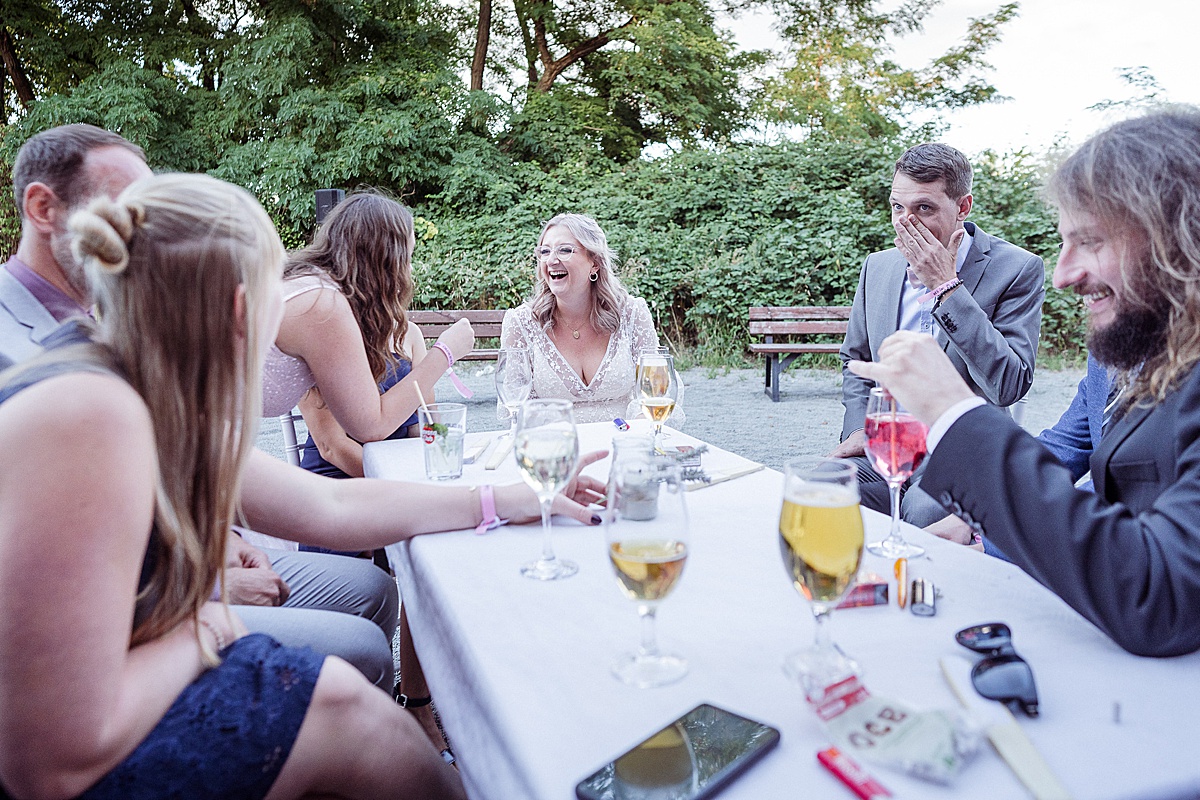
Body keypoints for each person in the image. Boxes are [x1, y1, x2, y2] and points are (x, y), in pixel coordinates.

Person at [0, 171, 605, 797]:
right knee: (349, 709)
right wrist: (209, 624)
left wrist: (506, 499)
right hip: (93, 751)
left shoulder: (150, 385)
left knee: (360, 680)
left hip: (148, 646)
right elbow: (46, 762)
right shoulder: (82, 412)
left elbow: (328, 504)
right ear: (243, 308)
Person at [0, 123, 401, 691]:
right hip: (115, 614)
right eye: (127, 208)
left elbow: (178, 471)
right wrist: (203, 589)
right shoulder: (27, 359)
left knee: (372, 590)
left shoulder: (117, 319)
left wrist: (222, 543)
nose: (144, 229)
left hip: (183, 557)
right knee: (357, 655)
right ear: (43, 208)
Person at [848, 107, 1200, 658]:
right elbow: (1063, 448)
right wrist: (976, 526)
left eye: (1091, 241)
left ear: (1180, 240)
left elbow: (1159, 597)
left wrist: (952, 411)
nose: (1064, 274)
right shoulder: (1125, 350)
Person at [833, 143, 1045, 526]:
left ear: (963, 207)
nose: (904, 222)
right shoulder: (878, 267)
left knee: (925, 512)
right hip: (889, 442)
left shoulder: (1017, 269)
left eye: (923, 208)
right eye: (898, 207)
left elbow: (1009, 386)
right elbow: (856, 361)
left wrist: (946, 287)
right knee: (818, 486)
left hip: (961, 451)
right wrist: (861, 431)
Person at [263, 192, 472, 463]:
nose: (409, 271)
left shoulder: (320, 293)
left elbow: (424, 423)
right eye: (407, 258)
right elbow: (369, 427)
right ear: (384, 261)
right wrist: (445, 352)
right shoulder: (320, 305)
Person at [501, 213, 661, 424]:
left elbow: (656, 391)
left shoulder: (632, 314)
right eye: (545, 251)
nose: (551, 260)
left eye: (565, 250)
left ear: (594, 263)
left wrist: (637, 430)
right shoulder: (521, 323)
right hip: (556, 449)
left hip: (624, 445)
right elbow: (516, 406)